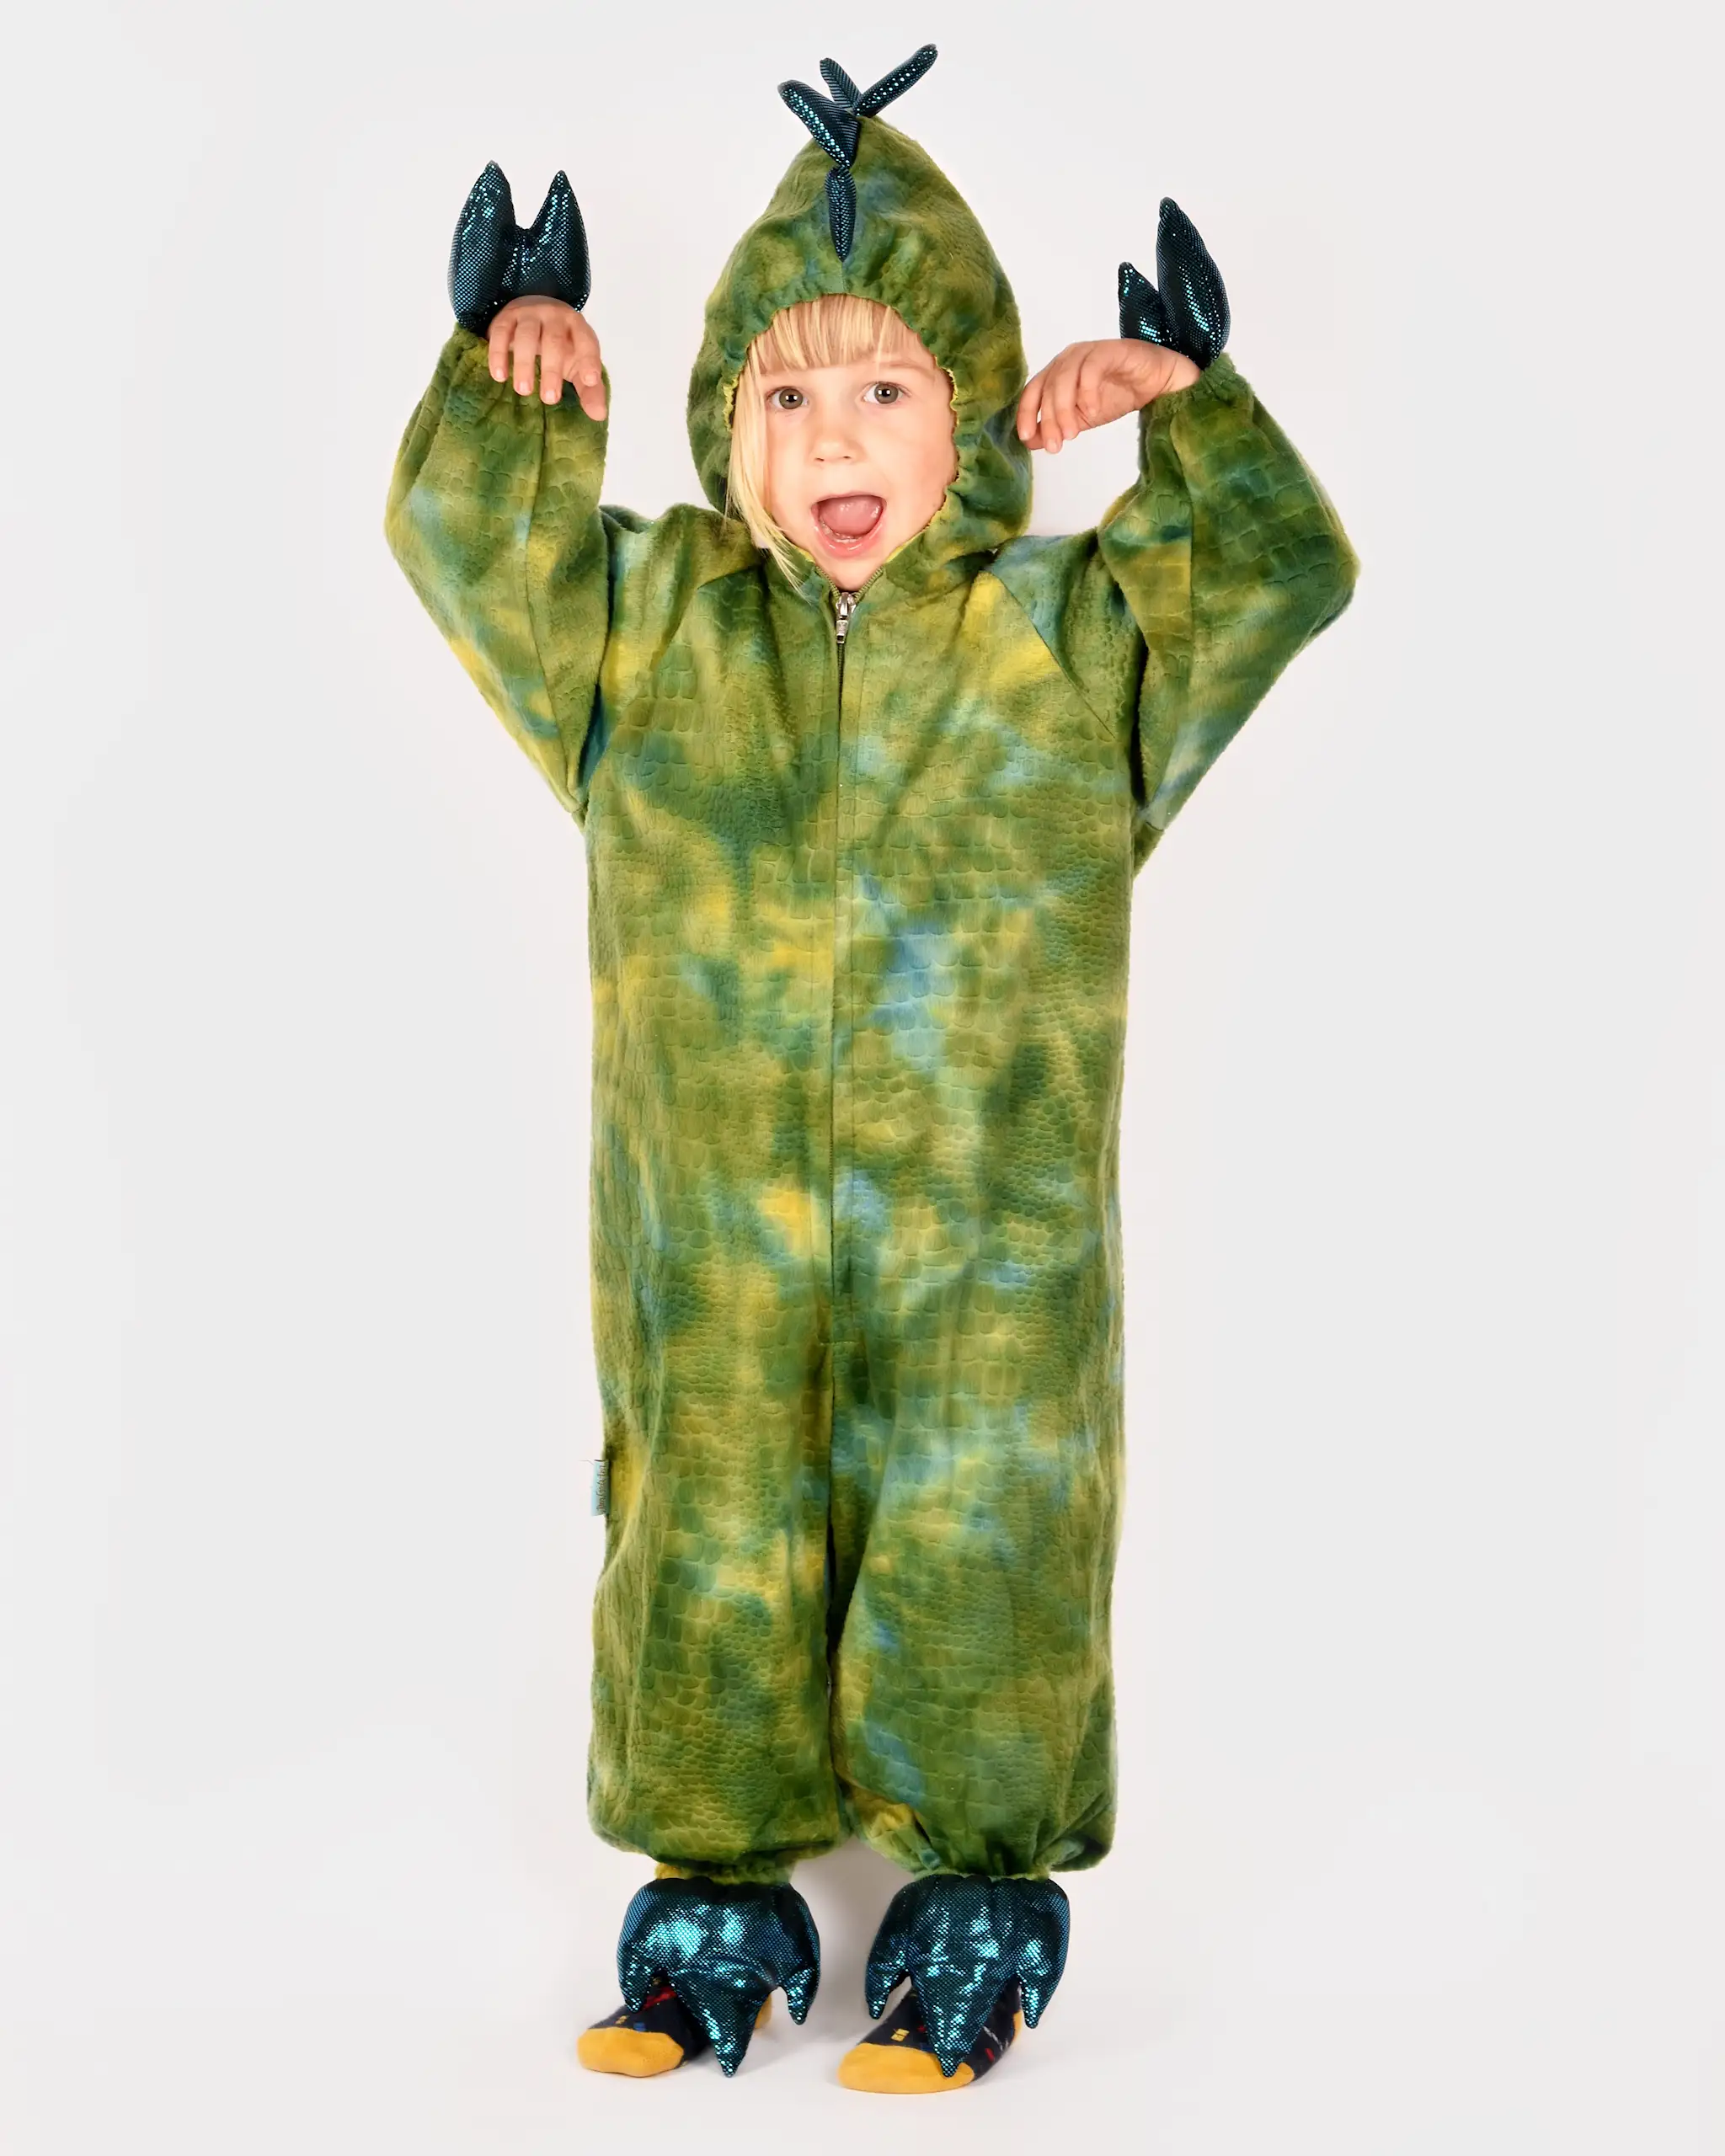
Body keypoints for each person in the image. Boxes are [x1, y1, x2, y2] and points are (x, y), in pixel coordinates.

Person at [384, 43, 1358, 2094]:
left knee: (985, 1534)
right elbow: (478, 554)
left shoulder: (1066, 647)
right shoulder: (648, 636)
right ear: (725, 429)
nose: (836, 433)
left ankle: (977, 1901)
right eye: (786, 395)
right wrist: (510, 386)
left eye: (890, 387)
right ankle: (714, 1900)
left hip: (990, 1251)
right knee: (704, 1517)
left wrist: (1190, 416)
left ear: (977, 416)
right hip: (711, 1238)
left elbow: (1276, 576)